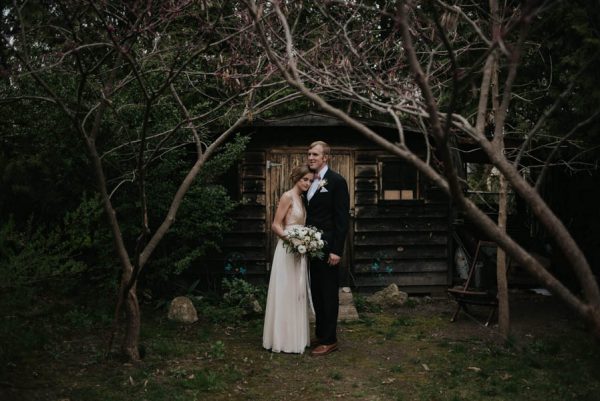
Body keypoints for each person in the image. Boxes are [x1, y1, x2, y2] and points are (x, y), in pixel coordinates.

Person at [262, 164, 314, 353]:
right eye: (304, 179)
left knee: (296, 292)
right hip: (287, 250)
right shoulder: (287, 196)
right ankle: (281, 339)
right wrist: (292, 242)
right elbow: (276, 225)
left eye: (310, 180)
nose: (307, 183)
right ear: (296, 179)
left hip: (298, 251)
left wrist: (305, 243)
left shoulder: (302, 199)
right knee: (285, 290)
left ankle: (295, 338)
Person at [305, 141, 350, 356]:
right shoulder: (309, 180)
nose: (311, 157)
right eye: (309, 154)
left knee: (328, 293)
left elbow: (342, 219)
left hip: (328, 247)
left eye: (315, 154)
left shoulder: (337, 181)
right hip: (311, 247)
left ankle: (330, 340)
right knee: (316, 292)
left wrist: (336, 250)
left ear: (326, 157)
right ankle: (321, 333)